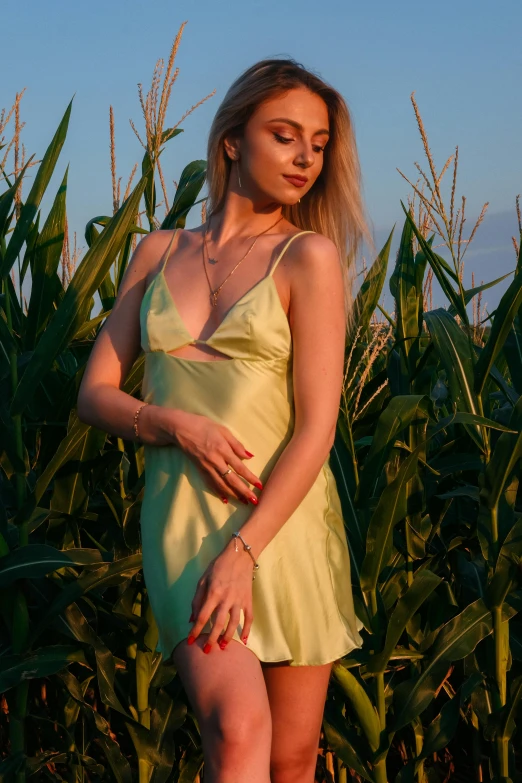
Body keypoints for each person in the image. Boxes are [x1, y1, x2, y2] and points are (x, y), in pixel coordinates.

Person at [78, 57, 374, 783]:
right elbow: (95, 392)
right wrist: (178, 426)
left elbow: (316, 430)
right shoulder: (156, 251)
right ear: (233, 140)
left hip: (284, 523)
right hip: (182, 521)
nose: (306, 156)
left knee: (291, 759)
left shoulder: (309, 258)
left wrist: (245, 552)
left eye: (318, 141)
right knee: (238, 730)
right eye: (284, 134)